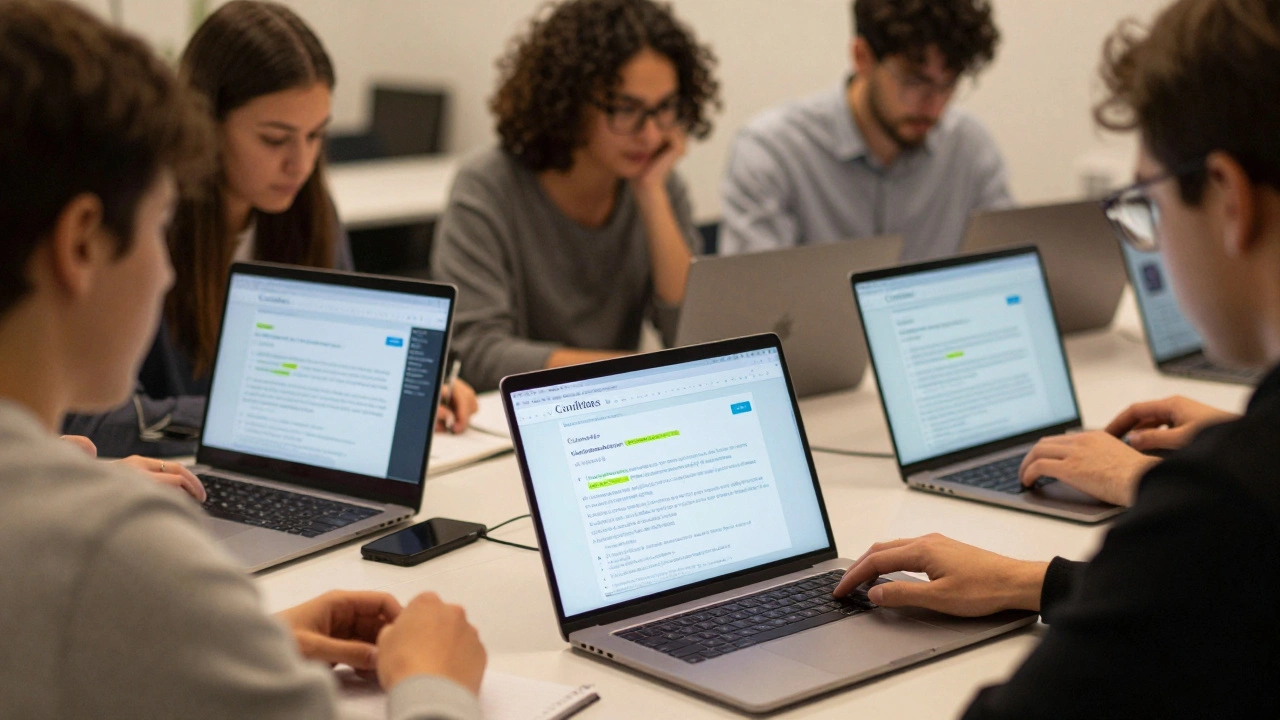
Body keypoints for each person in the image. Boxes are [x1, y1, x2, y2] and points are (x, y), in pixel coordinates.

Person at [0, 2, 485, 718]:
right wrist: (433, 678)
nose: (167, 270)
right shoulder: (108, 547)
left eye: (316, 136)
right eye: (159, 227)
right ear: (81, 243)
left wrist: (239, 641)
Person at [834, 0, 1280, 715]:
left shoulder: (1227, 507)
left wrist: (1203, 474)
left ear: (1228, 198)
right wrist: (1031, 581)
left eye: (1148, 204)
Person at [62, 0, 476, 459]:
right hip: (173, 479)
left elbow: (331, 366)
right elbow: (93, 422)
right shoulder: (141, 227)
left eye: (316, 135)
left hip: (281, 467)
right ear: (205, 122)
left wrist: (400, 394)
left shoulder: (312, 213)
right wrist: (272, 416)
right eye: (275, 139)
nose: (301, 164)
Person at [431, 0, 719, 392]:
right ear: (569, 102)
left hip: (614, 403)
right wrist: (637, 371)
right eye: (625, 108)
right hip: (516, 413)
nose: (650, 134)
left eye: (665, 108)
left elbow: (693, 339)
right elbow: (475, 352)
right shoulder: (489, 185)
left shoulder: (657, 184)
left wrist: (651, 194)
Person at [719, 0, 1011, 261]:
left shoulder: (969, 148)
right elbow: (754, 297)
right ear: (862, 57)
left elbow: (1011, 266)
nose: (934, 106)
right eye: (913, 81)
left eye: (948, 84)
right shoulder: (773, 152)